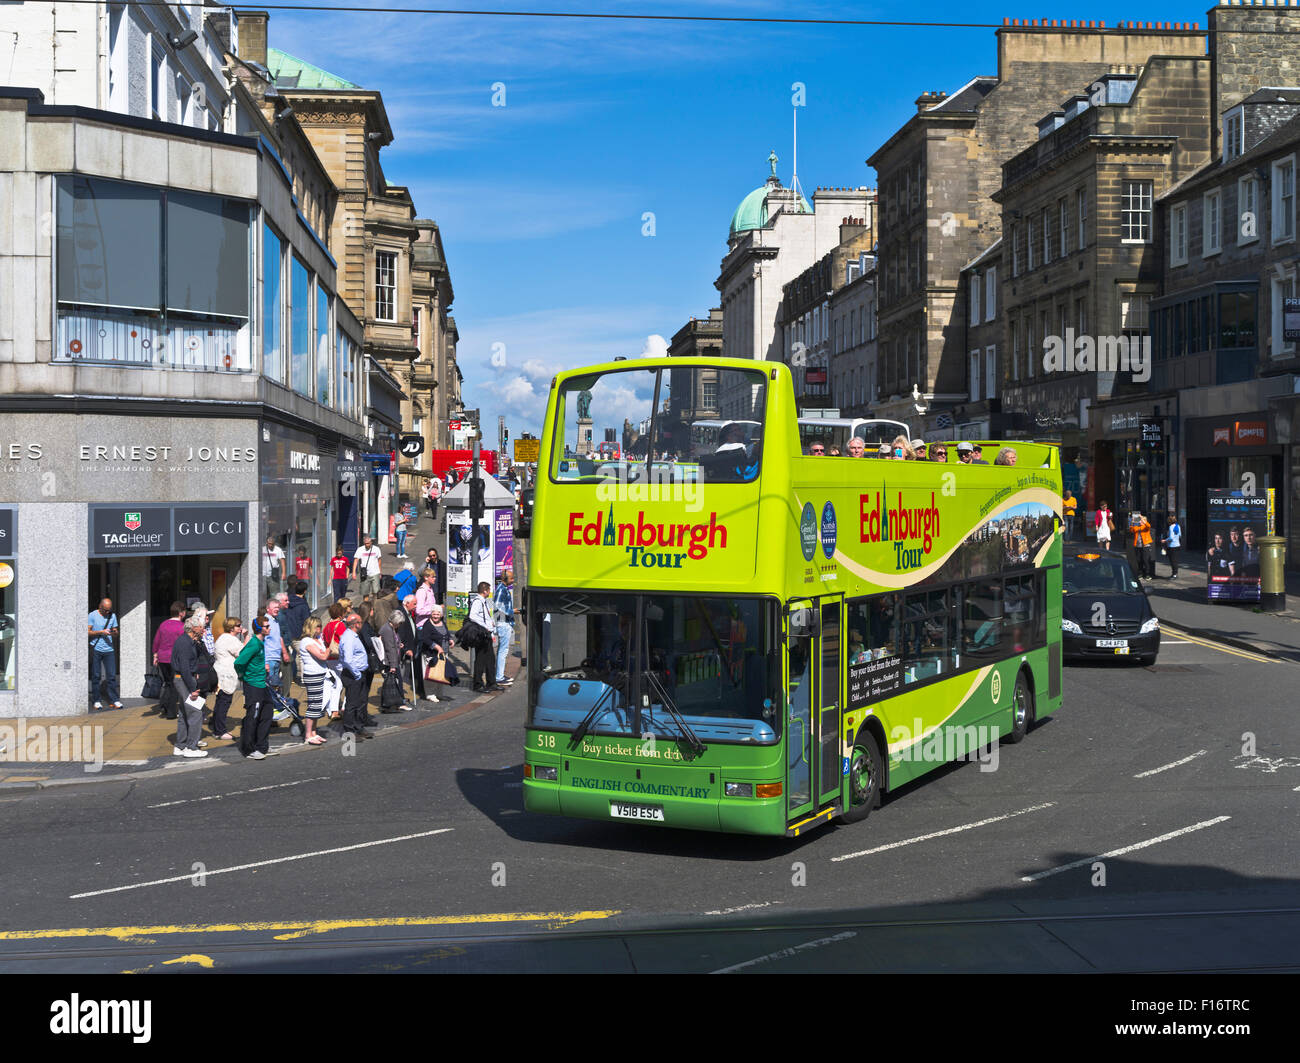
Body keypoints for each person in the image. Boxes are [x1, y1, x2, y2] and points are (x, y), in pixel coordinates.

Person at [170, 614, 210, 758]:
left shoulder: (190, 641)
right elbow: (185, 668)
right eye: (201, 626)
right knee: (195, 712)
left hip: (183, 679)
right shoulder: (184, 643)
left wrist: (198, 641)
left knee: (184, 713)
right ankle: (191, 747)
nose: (203, 628)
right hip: (183, 680)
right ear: (193, 628)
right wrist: (193, 688)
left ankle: (180, 746)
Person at [235, 616, 275, 760]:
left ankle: (262, 746)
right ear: (259, 629)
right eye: (266, 626)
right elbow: (239, 661)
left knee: (267, 713)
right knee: (253, 716)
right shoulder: (254, 644)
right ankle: (248, 749)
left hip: (262, 684)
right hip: (253, 685)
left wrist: (262, 668)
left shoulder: (260, 643)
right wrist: (244, 677)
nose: (269, 628)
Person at [297, 616, 334, 746]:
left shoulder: (317, 639)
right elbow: (323, 656)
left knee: (319, 704)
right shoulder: (306, 641)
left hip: (321, 673)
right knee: (313, 704)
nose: (320, 628)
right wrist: (331, 646)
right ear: (311, 627)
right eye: (317, 626)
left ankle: (314, 732)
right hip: (312, 675)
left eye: (320, 626)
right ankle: (308, 735)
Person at [212, 616, 246, 741]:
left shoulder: (224, 638)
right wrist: (246, 637)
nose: (240, 627)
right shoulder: (229, 639)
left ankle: (217, 728)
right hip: (226, 675)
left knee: (220, 702)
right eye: (238, 625)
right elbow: (243, 653)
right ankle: (220, 731)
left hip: (221, 673)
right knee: (224, 702)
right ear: (232, 628)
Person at [151, 601, 186, 720]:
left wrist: (155, 655)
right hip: (175, 660)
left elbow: (157, 641)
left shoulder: (163, 624)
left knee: (168, 683)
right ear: (181, 613)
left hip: (162, 658)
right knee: (175, 684)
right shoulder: (182, 627)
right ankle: (171, 712)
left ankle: (164, 705)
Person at [87, 598, 121, 711]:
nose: (107, 612)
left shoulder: (112, 616)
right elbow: (88, 631)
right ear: (100, 606)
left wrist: (115, 632)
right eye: (105, 610)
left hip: (109, 649)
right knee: (96, 676)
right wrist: (101, 632)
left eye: (109, 610)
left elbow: (115, 631)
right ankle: (96, 700)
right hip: (96, 648)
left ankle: (114, 699)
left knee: (111, 676)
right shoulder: (92, 615)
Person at [380, 610, 414, 712]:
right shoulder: (387, 630)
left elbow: (393, 643)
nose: (400, 625)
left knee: (396, 682)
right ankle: (398, 703)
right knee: (396, 682)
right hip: (391, 662)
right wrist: (393, 666)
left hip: (394, 660)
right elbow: (389, 649)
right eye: (399, 623)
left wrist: (399, 645)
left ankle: (397, 702)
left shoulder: (391, 628)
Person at [469, 581, 500, 692]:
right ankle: (477, 684)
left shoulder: (483, 601)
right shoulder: (477, 601)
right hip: (481, 634)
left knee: (490, 659)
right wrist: (485, 626)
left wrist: (491, 631)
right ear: (485, 591)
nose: (490, 592)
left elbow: (485, 616)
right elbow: (472, 616)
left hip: (487, 634)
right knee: (480, 660)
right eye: (489, 590)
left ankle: (491, 683)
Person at [419, 604, 460, 688]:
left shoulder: (442, 622)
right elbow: (425, 639)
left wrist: (450, 639)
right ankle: (430, 694)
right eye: (434, 614)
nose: (435, 616)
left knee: (441, 674)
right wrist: (437, 647)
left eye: (438, 614)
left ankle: (439, 693)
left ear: (441, 615)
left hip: (443, 653)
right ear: (431, 614)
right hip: (431, 654)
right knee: (431, 674)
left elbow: (446, 633)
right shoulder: (428, 624)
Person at [282, 582, 310, 691]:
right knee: (302, 656)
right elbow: (307, 621)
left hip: (288, 634)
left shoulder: (288, 602)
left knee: (287, 655)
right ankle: (303, 679)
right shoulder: (303, 605)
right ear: (304, 591)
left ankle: (287, 677)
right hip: (299, 634)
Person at [263, 596, 289, 708]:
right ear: (268, 609)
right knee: (271, 687)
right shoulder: (265, 622)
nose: (277, 609)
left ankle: (273, 710)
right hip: (269, 659)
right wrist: (265, 662)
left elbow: (279, 638)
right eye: (274, 607)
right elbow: (262, 642)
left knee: (274, 686)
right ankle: (271, 711)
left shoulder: (275, 621)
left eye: (278, 607)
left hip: (276, 658)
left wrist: (284, 653)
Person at [493, 569, 516, 686]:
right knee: (503, 651)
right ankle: (499, 677)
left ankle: (500, 675)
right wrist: (511, 611)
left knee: (503, 651)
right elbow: (496, 605)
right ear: (505, 579)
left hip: (505, 623)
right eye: (511, 578)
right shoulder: (501, 589)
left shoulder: (504, 588)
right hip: (503, 623)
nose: (513, 580)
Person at [352, 535, 383, 600]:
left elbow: (379, 560)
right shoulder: (360, 549)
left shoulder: (376, 549)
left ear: (371, 542)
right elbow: (356, 560)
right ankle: (366, 607)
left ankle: (374, 605)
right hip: (365, 574)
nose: (366, 545)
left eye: (368, 543)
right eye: (365, 543)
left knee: (375, 592)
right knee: (365, 592)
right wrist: (354, 572)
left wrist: (380, 572)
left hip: (375, 572)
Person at [1129, 510, 1154, 579]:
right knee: (1139, 560)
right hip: (1138, 545)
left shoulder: (1146, 527)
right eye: (1140, 520)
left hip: (1145, 545)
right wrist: (1132, 522)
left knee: (1145, 560)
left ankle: (1147, 574)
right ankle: (1140, 573)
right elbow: (1131, 530)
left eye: (1141, 520)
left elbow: (1148, 525)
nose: (1140, 521)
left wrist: (1142, 518)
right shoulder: (1137, 527)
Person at [262, 535, 286, 600]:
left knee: (274, 593)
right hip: (263, 574)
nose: (270, 545)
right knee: (263, 593)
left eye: (272, 544)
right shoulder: (263, 549)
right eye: (269, 544)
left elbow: (282, 561)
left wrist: (283, 573)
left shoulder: (278, 550)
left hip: (273, 575)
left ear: (274, 543)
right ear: (266, 543)